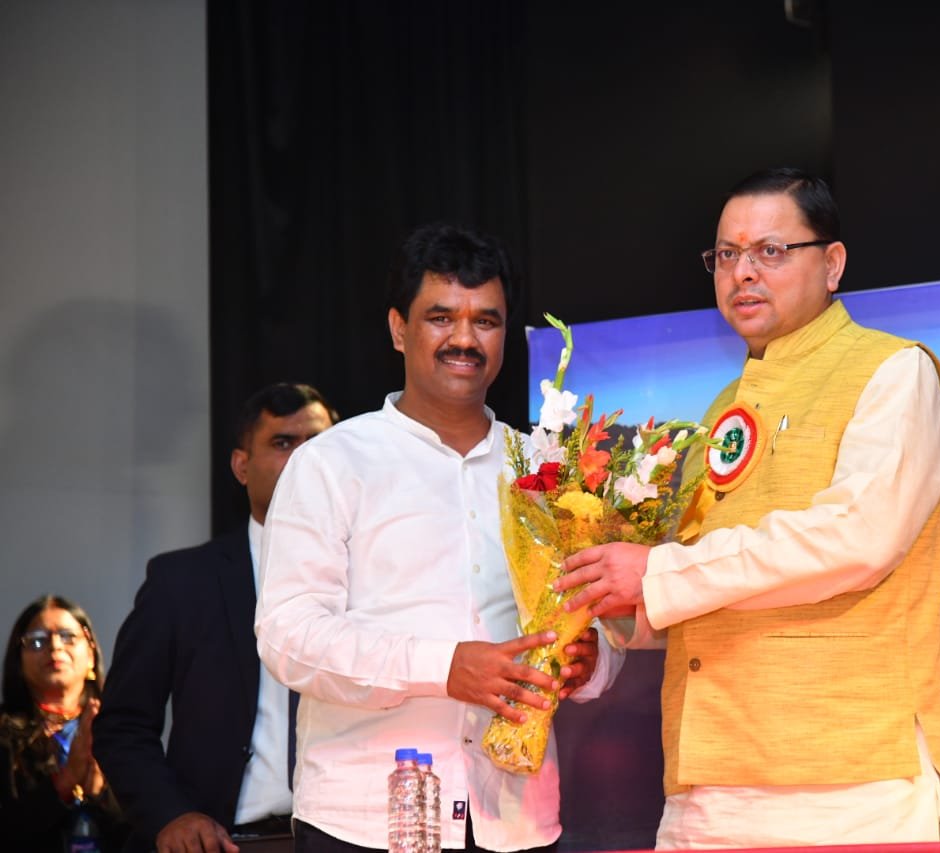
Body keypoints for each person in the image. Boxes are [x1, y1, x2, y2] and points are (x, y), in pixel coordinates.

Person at [557, 167, 940, 847]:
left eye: (771, 251)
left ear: (832, 263)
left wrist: (657, 573)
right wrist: (609, 615)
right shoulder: (721, 410)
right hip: (709, 781)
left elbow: (857, 537)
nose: (743, 272)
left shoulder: (893, 370)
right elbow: (706, 587)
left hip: (850, 781)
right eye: (726, 254)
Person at [254, 222, 622, 853]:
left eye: (486, 321)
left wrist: (591, 662)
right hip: (367, 819)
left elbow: (604, 621)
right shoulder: (333, 462)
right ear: (399, 328)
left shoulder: (547, 468)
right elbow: (289, 636)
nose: (465, 339)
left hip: (516, 816)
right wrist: (443, 667)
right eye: (441, 317)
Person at [94, 382, 338, 853]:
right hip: (223, 839)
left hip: (344, 839)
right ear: (241, 466)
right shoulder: (182, 581)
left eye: (318, 443)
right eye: (283, 443)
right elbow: (122, 725)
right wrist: (170, 815)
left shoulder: (372, 579)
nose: (305, 459)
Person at [1, 594, 129, 852]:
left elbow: (146, 833)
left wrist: (100, 794)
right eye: (37, 641)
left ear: (91, 654)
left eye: (68, 636)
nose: (55, 646)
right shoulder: (4, 735)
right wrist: (65, 781)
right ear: (19, 661)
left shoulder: (120, 729)